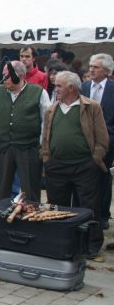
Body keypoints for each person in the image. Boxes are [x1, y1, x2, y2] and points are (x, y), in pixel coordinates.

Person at [42, 71, 108, 260]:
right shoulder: (52, 109)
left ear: (71, 88)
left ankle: (91, 245)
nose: (56, 89)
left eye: (59, 86)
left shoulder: (91, 107)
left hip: (84, 166)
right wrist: (46, 157)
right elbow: (46, 135)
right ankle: (61, 242)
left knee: (89, 207)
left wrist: (95, 158)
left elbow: (102, 138)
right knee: (58, 208)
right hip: (57, 166)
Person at [0, 60, 50, 202]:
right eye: (3, 75)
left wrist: (41, 145)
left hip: (29, 146)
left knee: (30, 187)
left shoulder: (39, 92)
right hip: (4, 146)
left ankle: (30, 218)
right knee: (3, 187)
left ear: (20, 76)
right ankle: (3, 216)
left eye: (7, 76)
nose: (3, 79)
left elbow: (46, 121)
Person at [81, 54, 114, 231]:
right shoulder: (84, 87)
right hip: (84, 144)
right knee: (85, 181)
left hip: (107, 144)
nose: (91, 70)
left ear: (107, 71)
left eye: (96, 67)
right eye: (91, 66)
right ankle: (84, 213)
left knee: (103, 180)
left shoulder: (112, 89)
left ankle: (102, 215)